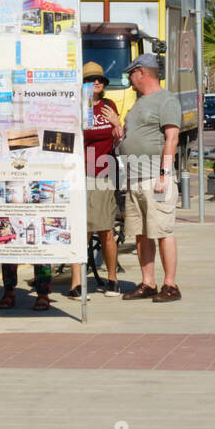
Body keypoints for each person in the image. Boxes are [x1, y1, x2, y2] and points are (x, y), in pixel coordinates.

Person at [117, 53, 183, 302]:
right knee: (141, 232)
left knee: (163, 230)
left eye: (131, 74)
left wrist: (164, 174)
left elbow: (171, 139)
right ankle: (148, 283)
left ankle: (170, 284)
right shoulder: (138, 103)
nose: (129, 80)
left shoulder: (166, 101)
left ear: (142, 72)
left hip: (155, 176)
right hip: (134, 177)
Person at [69, 61, 124, 299]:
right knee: (79, 229)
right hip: (79, 174)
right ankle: (76, 283)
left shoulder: (109, 105)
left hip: (103, 174)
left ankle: (112, 279)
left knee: (105, 229)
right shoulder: (76, 108)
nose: (96, 83)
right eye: (91, 80)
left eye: (100, 80)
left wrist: (117, 124)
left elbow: (120, 139)